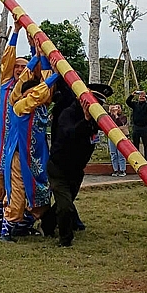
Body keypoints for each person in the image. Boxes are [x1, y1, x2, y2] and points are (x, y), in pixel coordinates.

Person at [0, 50, 59, 242]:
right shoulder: (19, 105)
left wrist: (44, 59)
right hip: (19, 157)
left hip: (37, 158)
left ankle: (23, 226)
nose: (35, 96)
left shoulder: (41, 107)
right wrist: (57, 73)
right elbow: (37, 90)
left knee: (42, 194)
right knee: (17, 194)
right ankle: (6, 231)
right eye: (30, 93)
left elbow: (45, 89)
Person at [48, 84, 112, 246]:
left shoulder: (96, 119)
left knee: (65, 203)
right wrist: (86, 120)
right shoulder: (68, 114)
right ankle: (65, 240)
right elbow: (70, 134)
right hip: (59, 168)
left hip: (77, 171)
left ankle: (47, 224)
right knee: (65, 206)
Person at [0, 22, 29, 232]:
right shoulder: (6, 84)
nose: (19, 69)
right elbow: (7, 59)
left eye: (24, 67)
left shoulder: (31, 89)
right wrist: (16, 32)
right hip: (2, 143)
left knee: (19, 185)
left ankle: (17, 222)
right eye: (17, 66)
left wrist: (35, 48)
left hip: (20, 145)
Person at [126, 90, 147, 160]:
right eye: (140, 96)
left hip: (144, 127)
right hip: (136, 127)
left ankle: (146, 159)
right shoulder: (135, 104)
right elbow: (128, 102)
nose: (141, 97)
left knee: (146, 144)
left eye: (143, 96)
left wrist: (146, 96)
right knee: (135, 144)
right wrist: (132, 95)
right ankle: (137, 158)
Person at [108, 104, 128, 177]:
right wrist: (110, 112)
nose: (116, 109)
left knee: (121, 153)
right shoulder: (110, 116)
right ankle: (115, 169)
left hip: (120, 136)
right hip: (112, 136)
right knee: (113, 153)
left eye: (118, 107)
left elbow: (120, 123)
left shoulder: (123, 117)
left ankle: (122, 169)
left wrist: (116, 115)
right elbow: (108, 122)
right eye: (114, 107)